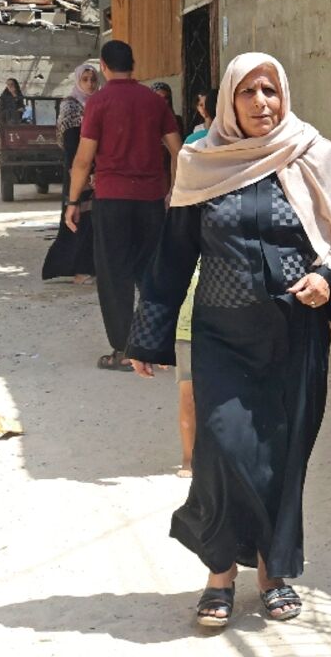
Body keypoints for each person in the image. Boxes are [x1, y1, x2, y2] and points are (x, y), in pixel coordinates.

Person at [125, 52, 331, 628]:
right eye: (250, 92)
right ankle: (219, 573)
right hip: (222, 336)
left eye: (271, 91)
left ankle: (272, 572)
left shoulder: (311, 152)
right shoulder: (201, 161)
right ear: (229, 100)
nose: (263, 103)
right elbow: (174, 252)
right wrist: (148, 333)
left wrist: (326, 278)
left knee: (282, 457)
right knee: (223, 448)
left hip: (294, 335)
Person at [64, 40, 182, 371]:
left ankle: (124, 350)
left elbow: (84, 158)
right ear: (135, 64)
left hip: (112, 199)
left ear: (103, 66)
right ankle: (153, 344)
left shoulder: (98, 102)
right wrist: (174, 189)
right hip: (150, 200)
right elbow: (178, 149)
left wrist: (73, 201)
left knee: (114, 274)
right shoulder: (153, 101)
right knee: (150, 272)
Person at [170, 87, 216, 479]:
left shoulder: (193, 147)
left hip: (197, 316)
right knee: (202, 392)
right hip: (203, 316)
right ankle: (194, 460)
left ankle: (190, 461)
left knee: (191, 393)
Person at [42, 63, 101, 284]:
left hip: (96, 171)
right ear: (77, 81)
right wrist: (81, 175)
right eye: (85, 79)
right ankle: (79, 270)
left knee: (92, 221)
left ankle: (88, 267)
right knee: (79, 218)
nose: (90, 83)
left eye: (93, 79)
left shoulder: (98, 103)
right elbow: (70, 145)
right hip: (78, 171)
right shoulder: (71, 106)